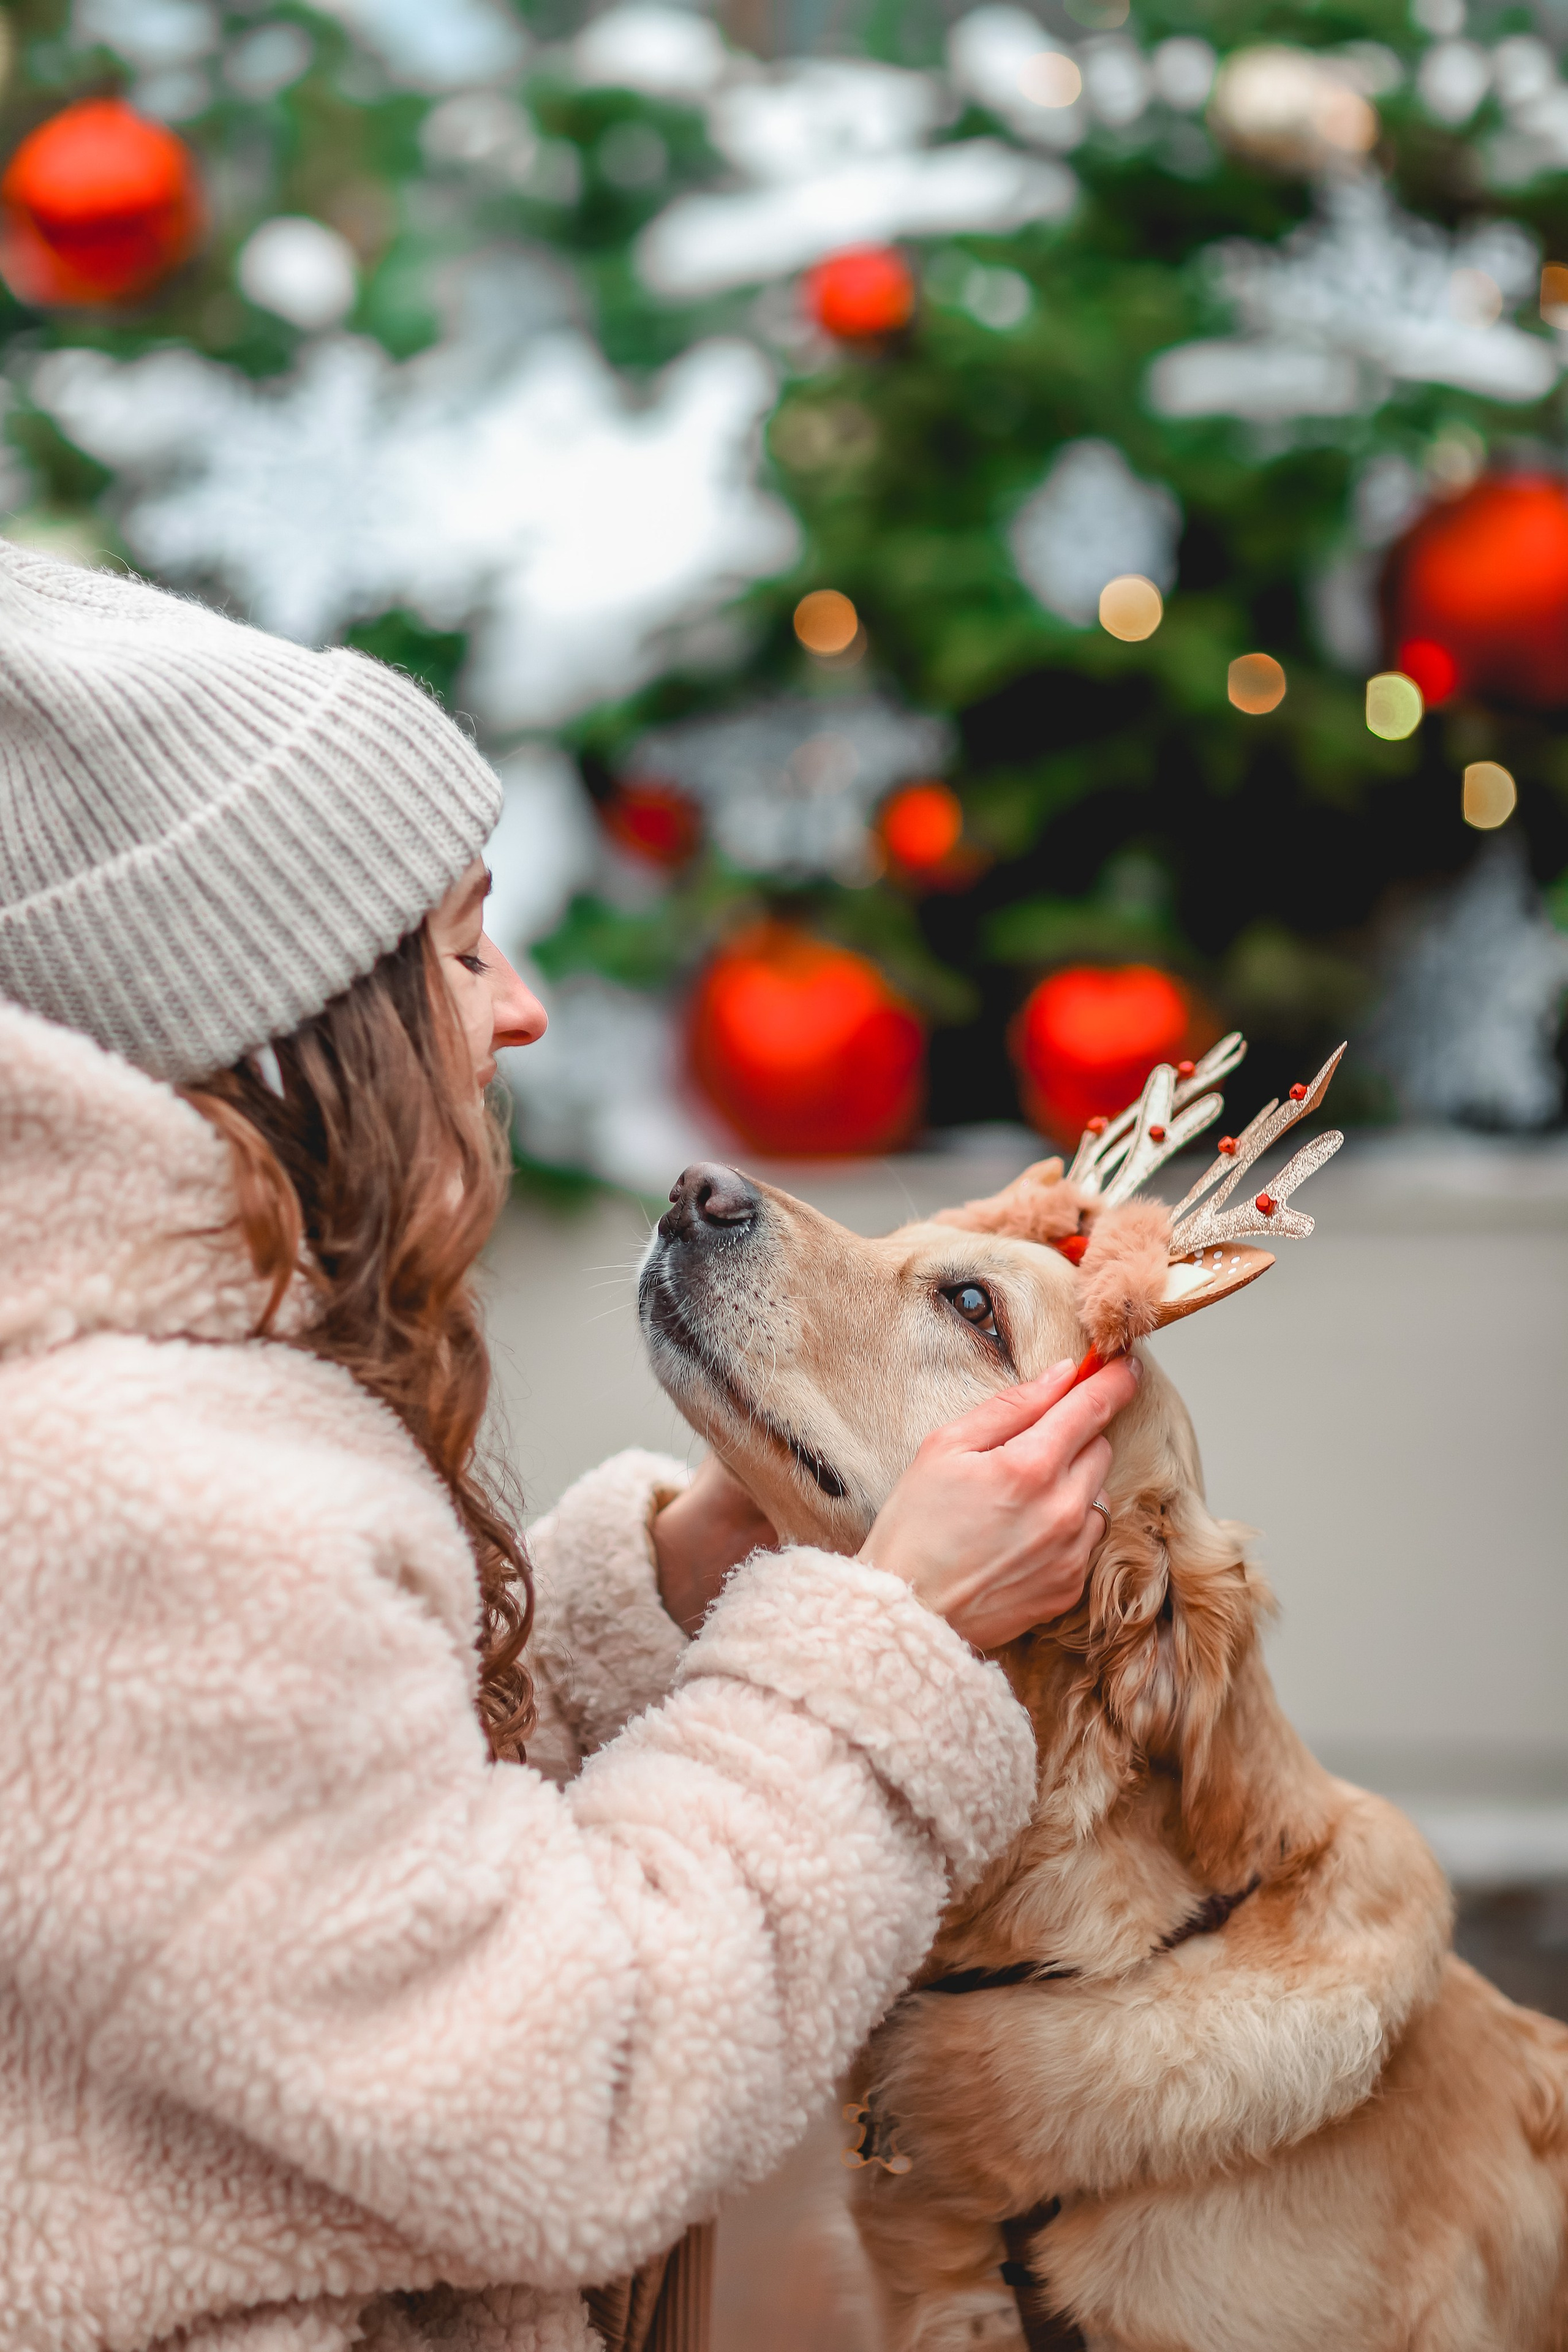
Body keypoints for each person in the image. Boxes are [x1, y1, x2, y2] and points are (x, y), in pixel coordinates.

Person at [0, 542, 1138, 2352]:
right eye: (456, 948)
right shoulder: (143, 1494)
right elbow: (565, 2097)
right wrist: (887, 1647)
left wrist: (684, 1577)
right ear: (277, 1034)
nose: (521, 1007)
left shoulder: (140, 1404)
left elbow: (350, 1883)